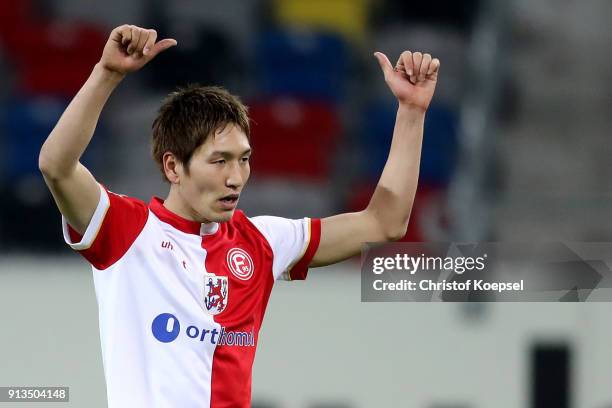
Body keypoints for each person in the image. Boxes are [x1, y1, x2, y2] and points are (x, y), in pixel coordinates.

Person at [38, 24, 440, 408]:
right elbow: (56, 165)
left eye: (244, 160)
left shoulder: (262, 241)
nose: (235, 178)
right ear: (174, 167)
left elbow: (384, 223)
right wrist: (107, 73)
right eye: (219, 161)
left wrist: (411, 111)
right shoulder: (125, 231)